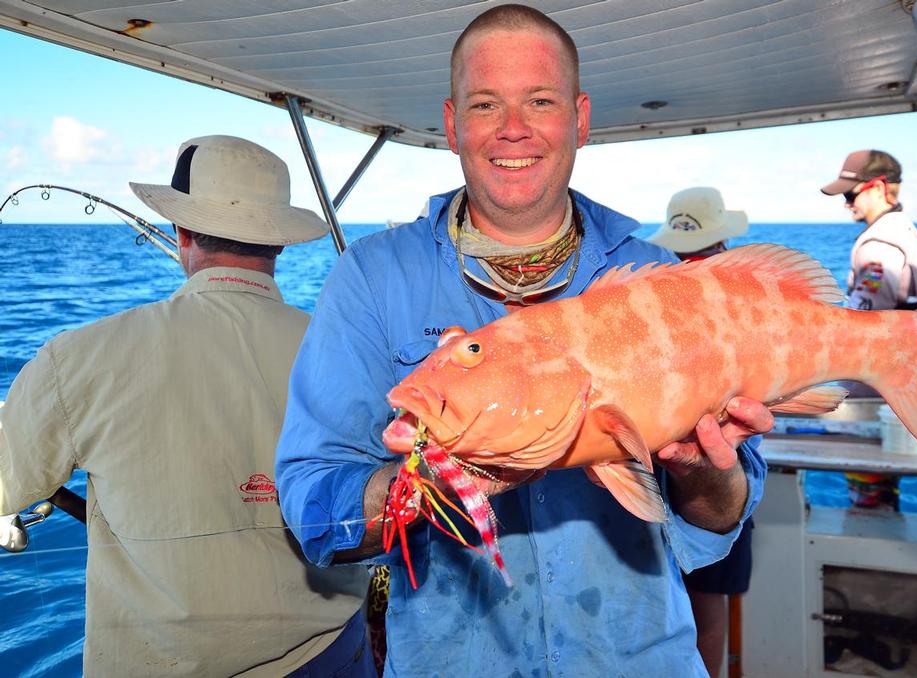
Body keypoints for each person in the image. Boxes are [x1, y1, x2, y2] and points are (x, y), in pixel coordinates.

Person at [276, 6, 770, 677]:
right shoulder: (372, 278)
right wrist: (427, 484)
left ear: (580, 117)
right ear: (452, 124)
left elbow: (719, 523)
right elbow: (311, 507)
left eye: (540, 100)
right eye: (486, 104)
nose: (513, 128)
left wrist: (702, 469)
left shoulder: (660, 280)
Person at [0, 135, 374, 677]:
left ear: (182, 233)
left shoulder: (78, 357)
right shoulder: (347, 354)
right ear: (279, 243)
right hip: (334, 654)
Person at [648, 186, 754, 678]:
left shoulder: (658, 286)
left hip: (665, 467)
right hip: (709, 470)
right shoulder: (738, 288)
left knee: (690, 596)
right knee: (707, 602)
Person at [821, 149, 917, 510]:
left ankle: (868, 556)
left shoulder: (879, 244)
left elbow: (864, 324)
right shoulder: (904, 230)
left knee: (868, 490)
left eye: (850, 193)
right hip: (899, 384)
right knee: (885, 486)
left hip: (874, 388)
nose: (845, 203)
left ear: (879, 187)